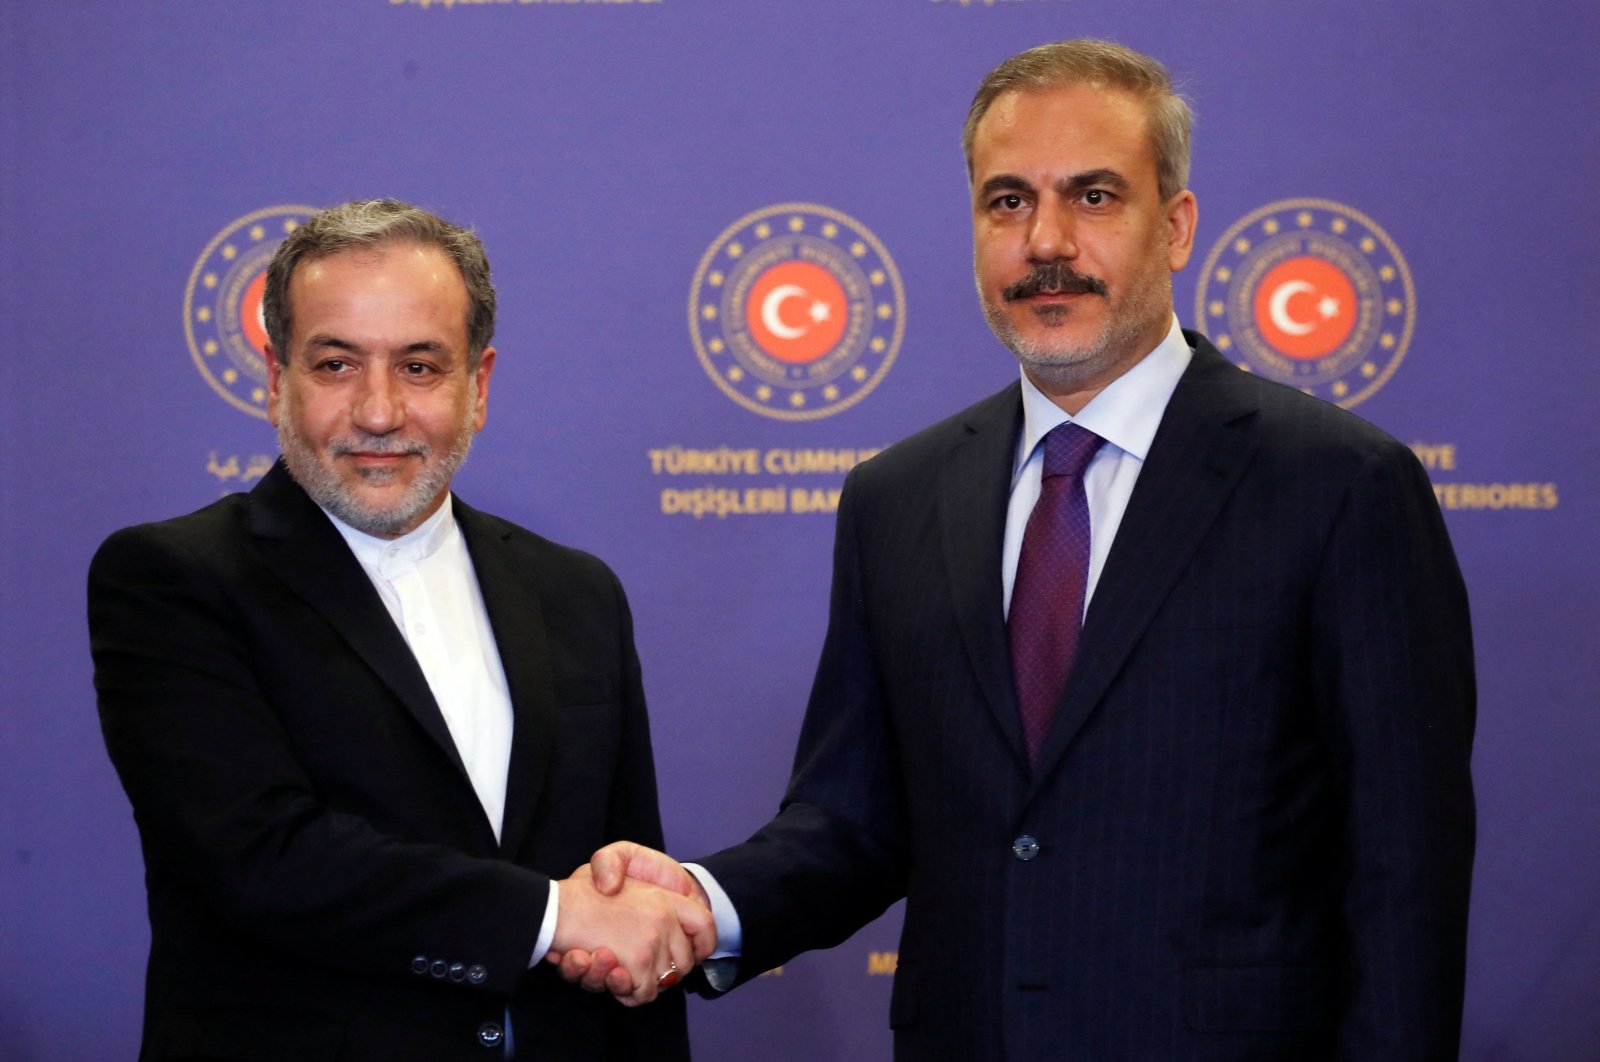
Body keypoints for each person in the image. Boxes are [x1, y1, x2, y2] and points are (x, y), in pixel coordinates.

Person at [564, 40, 1476, 1060]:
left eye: (1092, 197)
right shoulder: (895, 500)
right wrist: (701, 902)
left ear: (1174, 227)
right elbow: (853, 823)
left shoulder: (1337, 486)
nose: (1046, 242)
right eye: (1007, 202)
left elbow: (1405, 877)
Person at [88, 199, 712, 1061]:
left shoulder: (578, 594)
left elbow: (622, 883)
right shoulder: (175, 579)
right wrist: (556, 914)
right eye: (337, 364)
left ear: (479, 386)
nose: (378, 412)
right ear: (276, 382)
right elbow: (265, 861)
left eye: (420, 367)